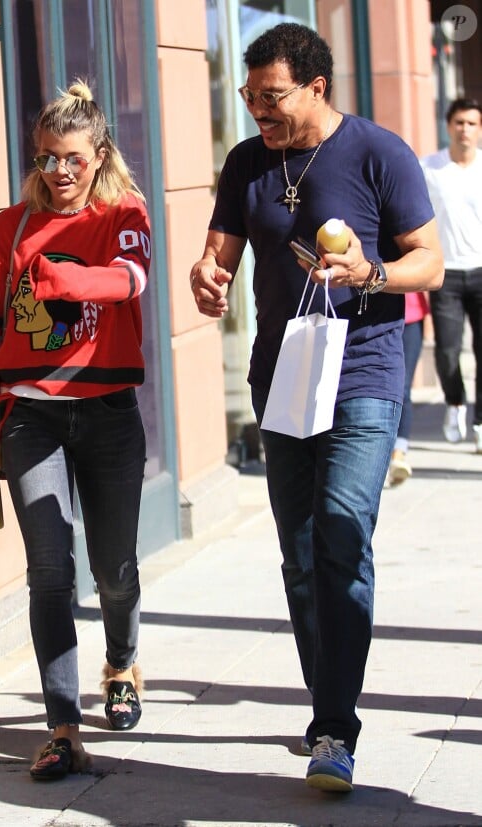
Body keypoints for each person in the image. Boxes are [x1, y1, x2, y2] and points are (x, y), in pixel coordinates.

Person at [190, 23, 443, 793]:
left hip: (365, 367)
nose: (258, 113)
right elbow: (219, 252)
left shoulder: (377, 152)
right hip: (283, 375)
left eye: (271, 98)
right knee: (300, 557)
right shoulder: (245, 163)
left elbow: (428, 261)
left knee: (340, 533)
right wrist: (208, 277)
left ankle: (335, 724)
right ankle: (327, 706)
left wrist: (371, 272)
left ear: (315, 87)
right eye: (249, 97)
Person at [0, 80, 151, 781]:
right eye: (46, 158)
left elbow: (131, 278)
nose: (59, 172)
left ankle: (123, 659)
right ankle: (63, 727)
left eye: (72, 158)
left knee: (115, 570)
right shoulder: (9, 228)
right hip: (31, 414)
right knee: (49, 567)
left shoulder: (124, 212)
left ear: (99, 155)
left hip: (107, 413)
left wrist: (66, 285)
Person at [420, 99, 482, 451]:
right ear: (448, 126)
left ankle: (480, 421)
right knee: (446, 352)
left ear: (479, 128)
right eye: (459, 122)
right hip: (446, 275)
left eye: (472, 123)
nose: (465, 130)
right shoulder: (429, 168)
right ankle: (456, 402)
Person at [387, 291, 431, 486]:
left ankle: (398, 455)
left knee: (403, 388)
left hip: (412, 316)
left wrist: (429, 320)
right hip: (371, 315)